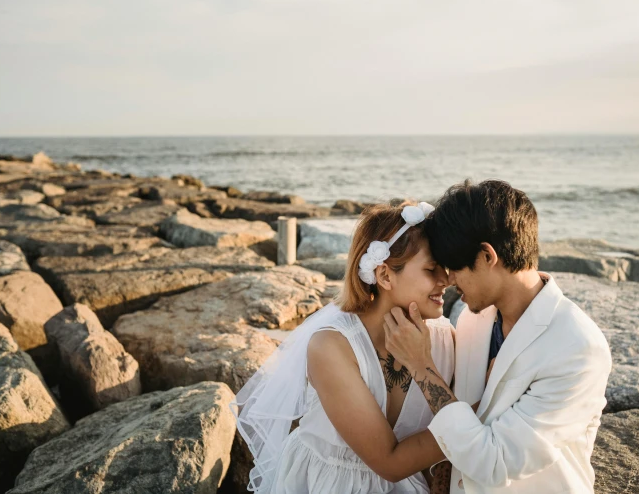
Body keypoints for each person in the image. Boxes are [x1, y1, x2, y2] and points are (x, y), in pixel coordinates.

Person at [384, 180, 613, 494]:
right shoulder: (471, 321)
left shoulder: (577, 348)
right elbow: (465, 419)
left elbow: (493, 464)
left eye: (453, 267)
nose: (447, 281)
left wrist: (421, 365)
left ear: (487, 256)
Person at [234, 201, 456, 493]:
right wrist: (481, 417)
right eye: (432, 269)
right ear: (385, 275)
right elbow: (389, 463)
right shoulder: (332, 347)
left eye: (446, 267)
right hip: (328, 483)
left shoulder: (445, 338)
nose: (447, 279)